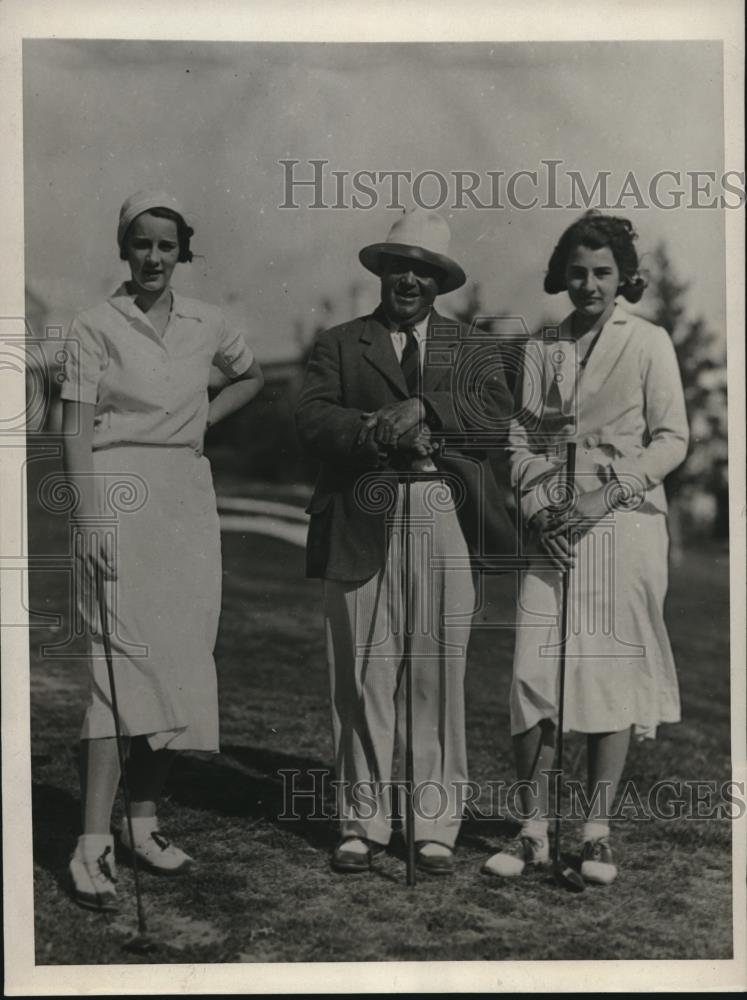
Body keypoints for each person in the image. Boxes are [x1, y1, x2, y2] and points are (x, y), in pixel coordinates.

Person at [295, 208, 517, 875]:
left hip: (441, 512)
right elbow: (308, 417)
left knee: (436, 673)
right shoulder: (341, 342)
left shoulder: (472, 348)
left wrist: (426, 409)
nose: (409, 280)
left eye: (424, 269)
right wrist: (377, 430)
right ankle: (362, 824)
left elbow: (495, 415)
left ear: (440, 280)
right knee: (361, 675)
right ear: (381, 272)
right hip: (359, 514)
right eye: (399, 266)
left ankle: (433, 824)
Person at [61, 190, 264, 910]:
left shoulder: (210, 321)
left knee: (174, 668)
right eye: (141, 244)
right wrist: (88, 523)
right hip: (116, 492)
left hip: (186, 495)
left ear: (183, 253)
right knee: (118, 674)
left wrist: (198, 420)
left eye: (166, 246)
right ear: (124, 247)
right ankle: (92, 845)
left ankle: (143, 824)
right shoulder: (92, 325)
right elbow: (73, 432)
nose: (153, 257)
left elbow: (252, 375)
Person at [484, 210, 688, 885]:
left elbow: (671, 439)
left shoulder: (649, 341)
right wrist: (541, 508)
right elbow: (520, 440)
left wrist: (604, 499)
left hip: (622, 526)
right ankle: (533, 830)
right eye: (576, 272)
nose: (588, 284)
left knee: (607, 674)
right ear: (561, 275)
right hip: (552, 527)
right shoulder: (543, 347)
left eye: (602, 272)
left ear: (624, 276)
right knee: (529, 673)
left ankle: (595, 834)